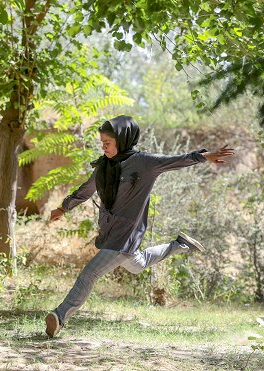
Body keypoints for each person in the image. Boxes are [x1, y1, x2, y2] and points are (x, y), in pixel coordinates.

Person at [45, 115, 234, 338]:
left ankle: (60, 316)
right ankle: (178, 245)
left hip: (125, 234)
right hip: (109, 231)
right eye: (102, 143)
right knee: (138, 263)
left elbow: (176, 160)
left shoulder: (144, 163)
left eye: (107, 143)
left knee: (90, 274)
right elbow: (86, 190)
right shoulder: (104, 166)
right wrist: (63, 208)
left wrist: (204, 157)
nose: (103, 147)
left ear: (122, 140)